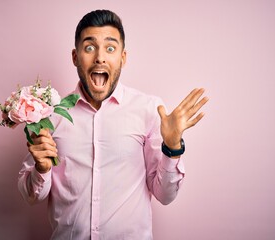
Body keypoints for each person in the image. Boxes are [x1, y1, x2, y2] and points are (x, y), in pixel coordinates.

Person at [18, 9, 208, 240]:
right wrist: (42, 169)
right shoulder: (52, 115)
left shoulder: (148, 109)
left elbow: (165, 195)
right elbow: (31, 196)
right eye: (89, 47)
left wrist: (172, 146)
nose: (100, 57)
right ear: (75, 57)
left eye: (110, 48)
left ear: (123, 57)